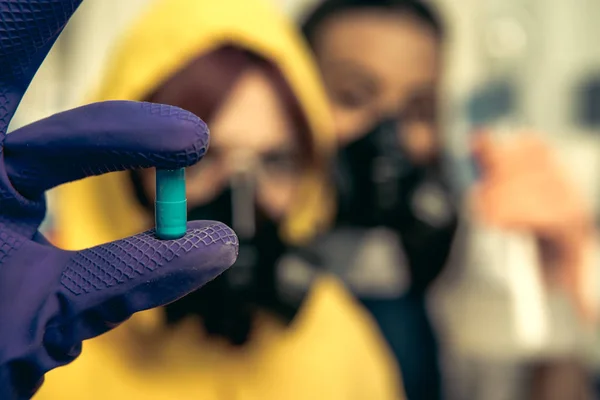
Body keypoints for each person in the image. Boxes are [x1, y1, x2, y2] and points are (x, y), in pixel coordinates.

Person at [33, 0, 405, 399]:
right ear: (120, 173)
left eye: (276, 161)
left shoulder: (343, 345)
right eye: (199, 160)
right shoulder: (36, 348)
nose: (240, 215)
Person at [300, 0, 599, 399]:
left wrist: (554, 289)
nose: (390, 136)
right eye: (353, 96)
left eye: (420, 110)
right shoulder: (248, 267)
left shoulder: (456, 279)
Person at [0, 1, 238, 399]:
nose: (237, 195)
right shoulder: (42, 340)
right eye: (209, 159)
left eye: (277, 161)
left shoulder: (343, 339)